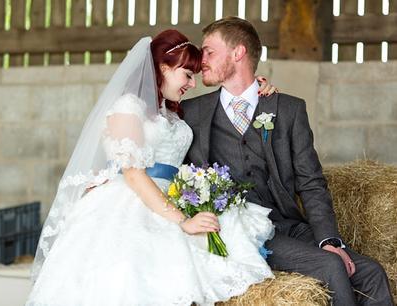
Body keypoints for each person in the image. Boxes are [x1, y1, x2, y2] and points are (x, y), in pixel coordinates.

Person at [26, 29, 277, 306]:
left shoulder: (175, 113)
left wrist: (257, 89)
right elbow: (133, 174)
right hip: (132, 202)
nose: (192, 84)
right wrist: (182, 220)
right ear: (163, 68)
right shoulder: (128, 107)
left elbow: (230, 101)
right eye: (187, 74)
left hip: (174, 195)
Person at [182, 16, 394, 306]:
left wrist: (329, 241)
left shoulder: (288, 109)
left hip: (289, 226)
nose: (200, 59)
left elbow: (311, 182)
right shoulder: (191, 112)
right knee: (330, 267)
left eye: (209, 51)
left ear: (238, 52)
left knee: (371, 273)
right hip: (242, 232)